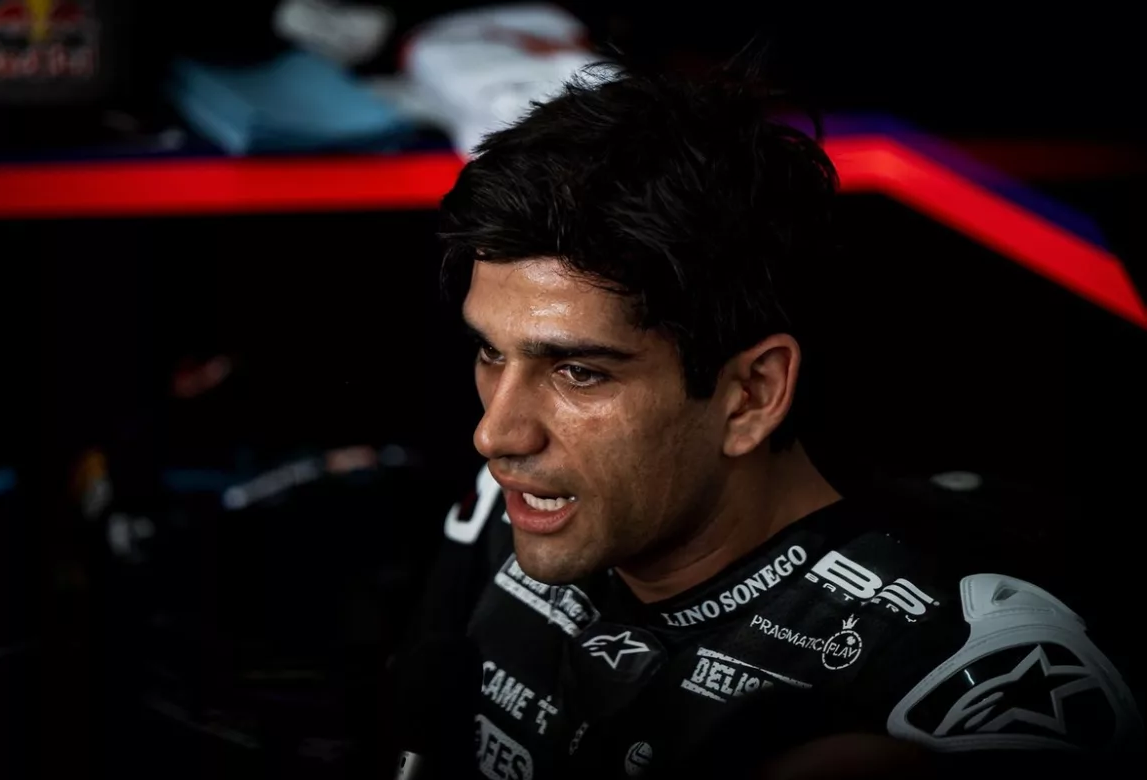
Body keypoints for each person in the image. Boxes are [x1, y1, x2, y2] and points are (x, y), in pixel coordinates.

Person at [411, 57, 1144, 779]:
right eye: (491, 353)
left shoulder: (953, 676)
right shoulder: (508, 508)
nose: (496, 435)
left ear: (752, 394)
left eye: (579, 372)